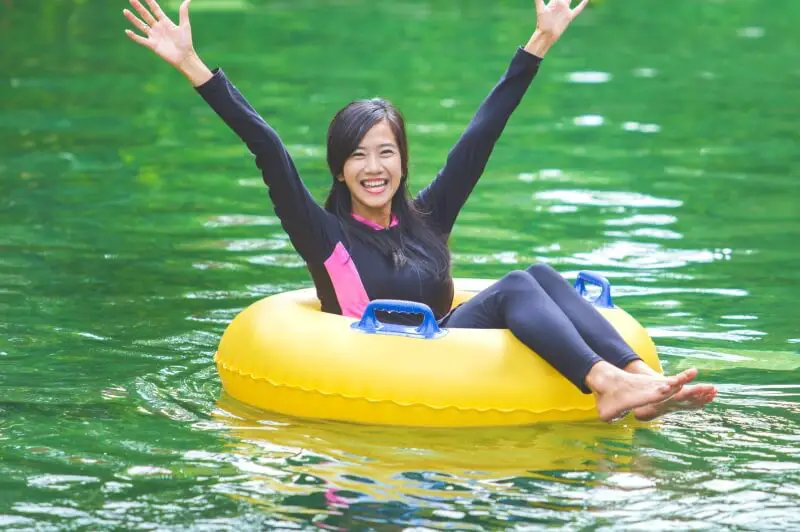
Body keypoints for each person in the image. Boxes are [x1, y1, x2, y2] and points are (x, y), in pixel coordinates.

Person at [123, 0, 717, 422]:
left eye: (386, 152)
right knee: (515, 284)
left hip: (445, 347)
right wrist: (195, 68)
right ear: (338, 168)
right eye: (357, 155)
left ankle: (637, 379)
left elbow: (482, 133)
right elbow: (267, 148)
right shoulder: (323, 234)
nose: (373, 167)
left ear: (403, 162)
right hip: (374, 356)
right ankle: (607, 384)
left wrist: (539, 43)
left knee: (537, 276)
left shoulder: (425, 219)